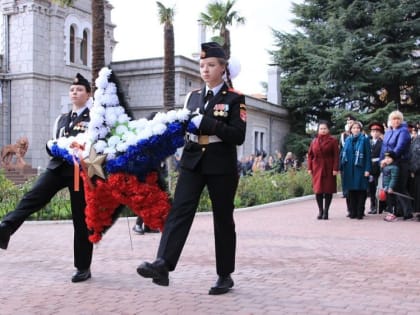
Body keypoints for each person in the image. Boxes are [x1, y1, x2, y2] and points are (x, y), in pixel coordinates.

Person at [136, 41, 246, 295]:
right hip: (193, 160)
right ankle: (163, 264)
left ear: (222, 68)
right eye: (202, 65)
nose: (205, 70)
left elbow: (237, 135)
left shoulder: (234, 99)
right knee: (179, 212)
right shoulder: (193, 97)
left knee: (223, 219)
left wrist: (206, 123)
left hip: (220, 164)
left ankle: (224, 275)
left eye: (211, 65)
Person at [0, 73, 93, 283]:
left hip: (80, 172)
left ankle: (83, 267)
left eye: (79, 90)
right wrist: (52, 147)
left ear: (88, 94)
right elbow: (53, 142)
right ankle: (5, 227)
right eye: (72, 90)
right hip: (57, 168)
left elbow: (97, 144)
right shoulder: (62, 118)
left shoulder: (95, 118)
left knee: (81, 219)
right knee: (33, 196)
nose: (74, 93)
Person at [380, 110, 412, 219]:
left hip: (400, 162)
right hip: (389, 163)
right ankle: (397, 211)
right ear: (390, 120)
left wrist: (389, 159)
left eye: (398, 118)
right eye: (394, 119)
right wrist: (382, 160)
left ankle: (407, 212)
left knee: (400, 188)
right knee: (391, 188)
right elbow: (384, 148)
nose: (396, 121)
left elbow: (400, 147)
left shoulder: (404, 131)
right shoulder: (388, 132)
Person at [307, 121, 339, 220]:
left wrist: (335, 168)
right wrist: (309, 167)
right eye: (321, 129)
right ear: (318, 130)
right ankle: (320, 210)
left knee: (328, 190)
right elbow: (310, 155)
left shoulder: (333, 140)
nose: (323, 130)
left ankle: (326, 211)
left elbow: (336, 156)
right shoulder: (314, 141)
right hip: (317, 167)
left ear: (328, 129)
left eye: (325, 128)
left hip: (328, 167)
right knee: (318, 190)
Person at [340, 121, 371, 219]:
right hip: (349, 169)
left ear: (360, 130)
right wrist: (341, 167)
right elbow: (343, 154)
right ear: (350, 130)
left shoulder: (365, 140)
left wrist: (367, 169)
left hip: (360, 168)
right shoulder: (348, 140)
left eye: (358, 128)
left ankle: (360, 212)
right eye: (354, 128)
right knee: (351, 191)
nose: (356, 129)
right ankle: (352, 211)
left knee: (361, 191)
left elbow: (368, 156)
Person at [367, 122, 385, 214]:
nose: (375, 133)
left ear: (380, 133)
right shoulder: (368, 142)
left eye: (377, 131)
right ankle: (373, 206)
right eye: (373, 131)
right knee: (371, 189)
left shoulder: (382, 143)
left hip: (378, 167)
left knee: (379, 187)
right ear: (371, 133)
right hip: (370, 167)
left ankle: (380, 207)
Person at [382, 151, 400, 222]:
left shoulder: (394, 167)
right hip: (386, 187)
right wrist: (382, 166)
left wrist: (391, 187)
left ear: (393, 159)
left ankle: (393, 214)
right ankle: (389, 213)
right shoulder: (386, 167)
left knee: (392, 201)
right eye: (386, 158)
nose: (387, 159)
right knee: (388, 201)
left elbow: (394, 178)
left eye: (389, 158)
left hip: (390, 188)